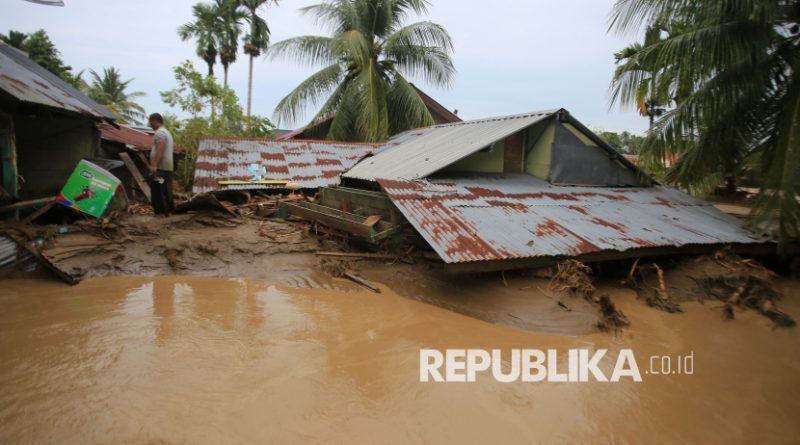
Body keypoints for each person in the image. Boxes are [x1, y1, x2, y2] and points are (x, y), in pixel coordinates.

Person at [147, 113, 174, 216]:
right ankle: (168, 211)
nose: (151, 125)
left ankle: (160, 213)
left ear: (155, 120)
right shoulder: (167, 132)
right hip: (167, 166)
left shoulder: (160, 133)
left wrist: (154, 165)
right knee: (166, 190)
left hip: (161, 167)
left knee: (158, 191)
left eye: (151, 122)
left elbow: (160, 148)